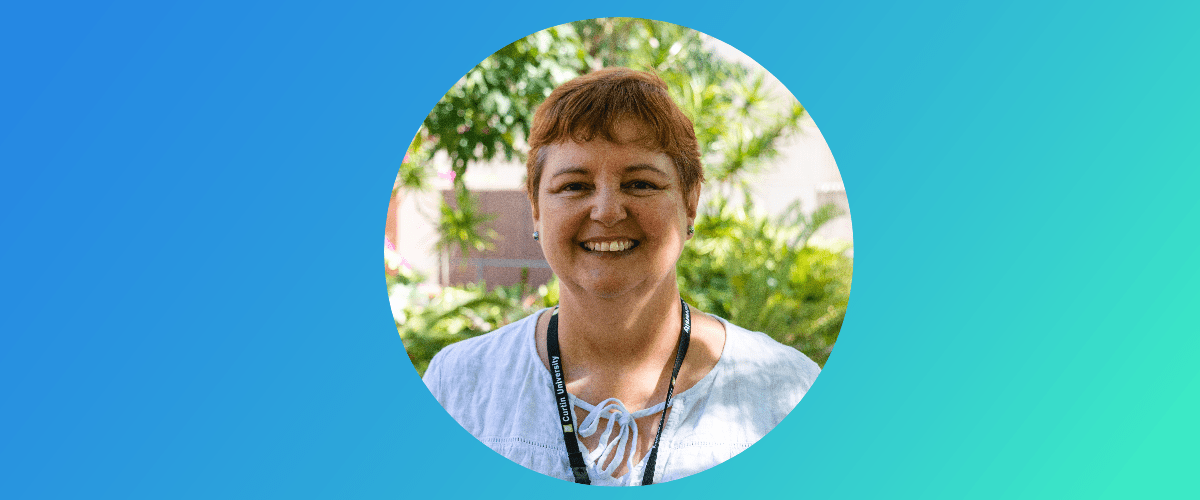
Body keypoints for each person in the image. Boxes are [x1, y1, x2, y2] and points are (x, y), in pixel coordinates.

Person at [423, 67, 820, 486]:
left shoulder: (787, 391)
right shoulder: (459, 386)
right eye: (575, 186)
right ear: (536, 209)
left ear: (690, 202)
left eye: (640, 183)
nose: (608, 211)